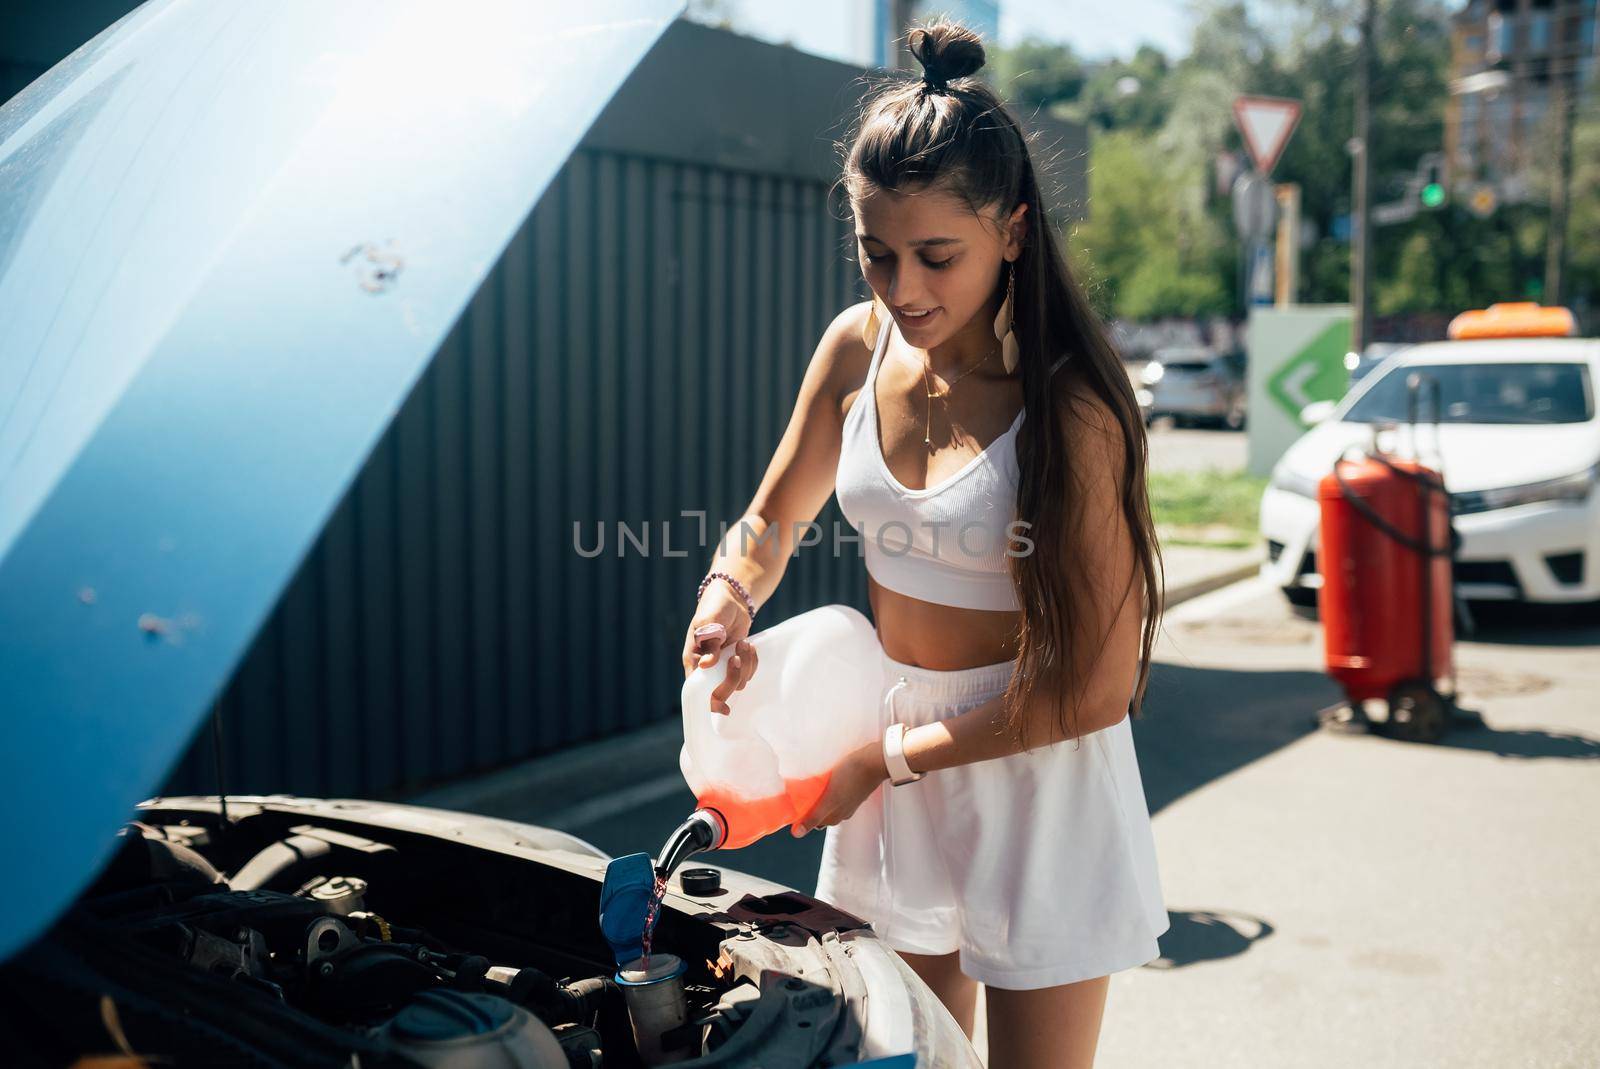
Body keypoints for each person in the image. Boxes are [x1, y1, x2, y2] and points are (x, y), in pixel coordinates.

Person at [679, 17, 1168, 1068]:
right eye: (876, 252)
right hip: (892, 762)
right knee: (894, 1058)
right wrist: (729, 591)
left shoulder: (1071, 412)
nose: (902, 290)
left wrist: (878, 758)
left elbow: (1093, 685)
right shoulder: (855, 347)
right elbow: (771, 518)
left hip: (1033, 767)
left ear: (1016, 233)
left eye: (936, 256)